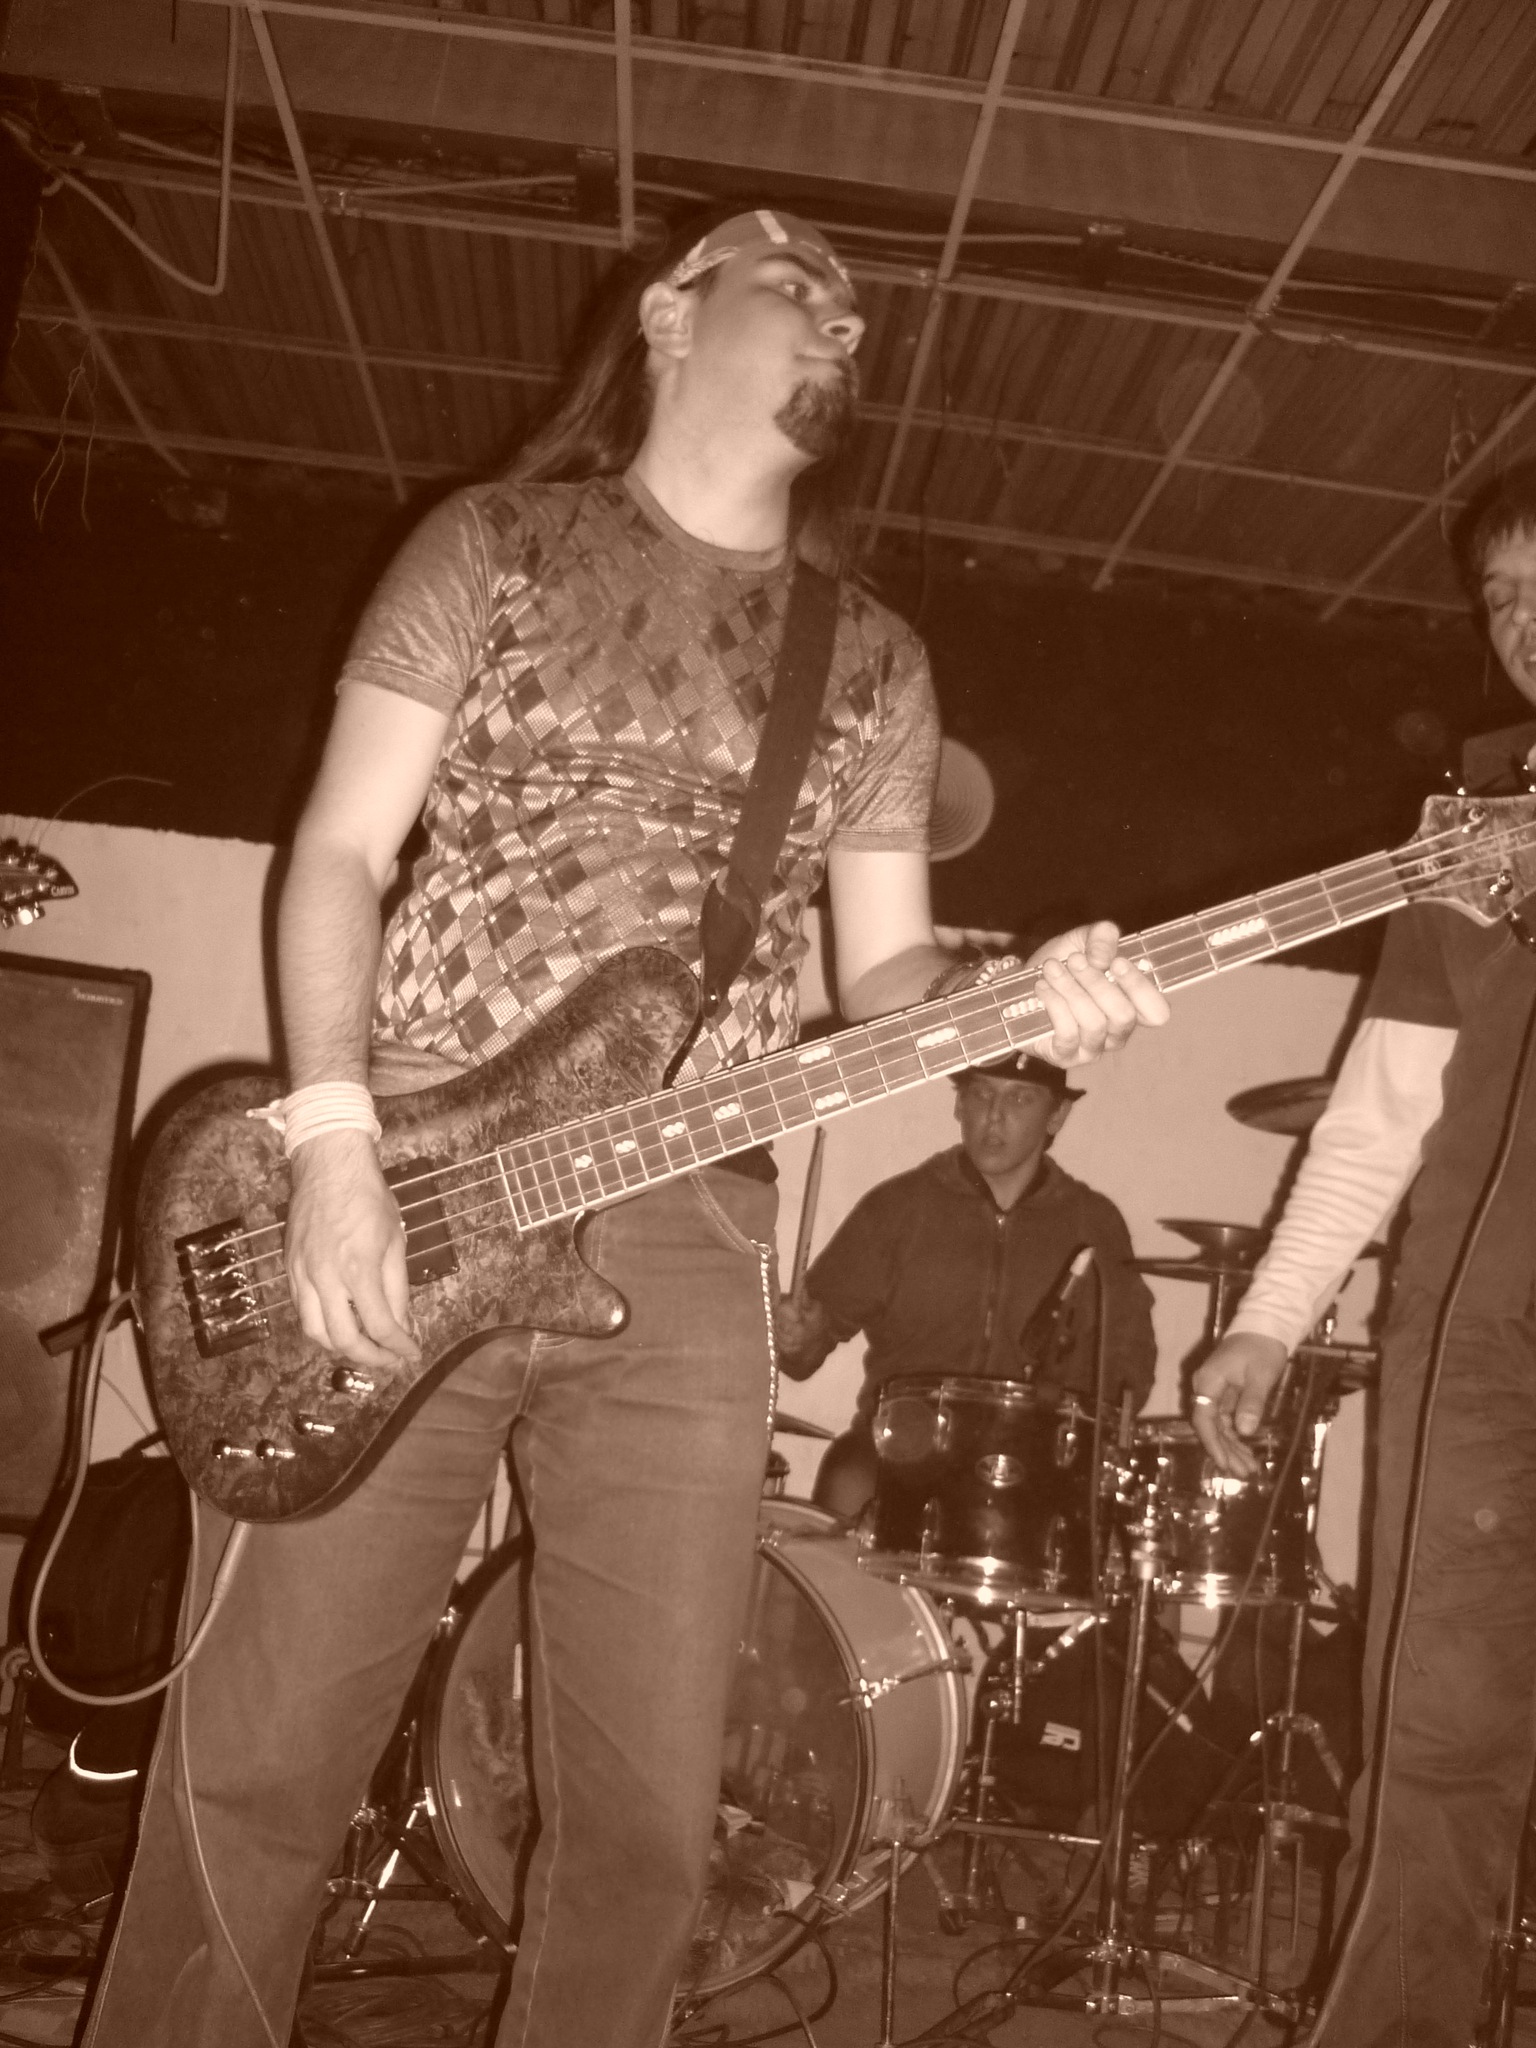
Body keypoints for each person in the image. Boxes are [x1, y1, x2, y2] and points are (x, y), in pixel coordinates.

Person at [80, 204, 1167, 2048]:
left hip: (690, 1225)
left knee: (655, 1828)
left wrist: (1025, 990)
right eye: (798, 284)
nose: (842, 321)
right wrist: (333, 1144)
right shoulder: (496, 542)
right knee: (261, 1755)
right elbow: (338, 847)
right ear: (670, 310)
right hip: (404, 1172)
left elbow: (887, 978)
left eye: (858, 311)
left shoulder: (873, 659)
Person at [1192, 465, 1536, 2048]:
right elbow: (1382, 1110)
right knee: (1436, 1742)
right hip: (1479, 1345)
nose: (1524, 626)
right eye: (1503, 600)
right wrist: (1269, 1318)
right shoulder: (1470, 826)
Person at [777, 1049, 1156, 1517]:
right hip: (904, 1442)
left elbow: (1130, 1363)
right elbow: (805, 1350)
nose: (994, 1116)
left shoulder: (1094, 1223)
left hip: (1036, 1452)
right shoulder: (898, 1208)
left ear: (1057, 1115)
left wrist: (1079, 1425)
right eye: (981, 1095)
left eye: (1020, 1099)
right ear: (959, 1104)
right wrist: (797, 1339)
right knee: (848, 1475)